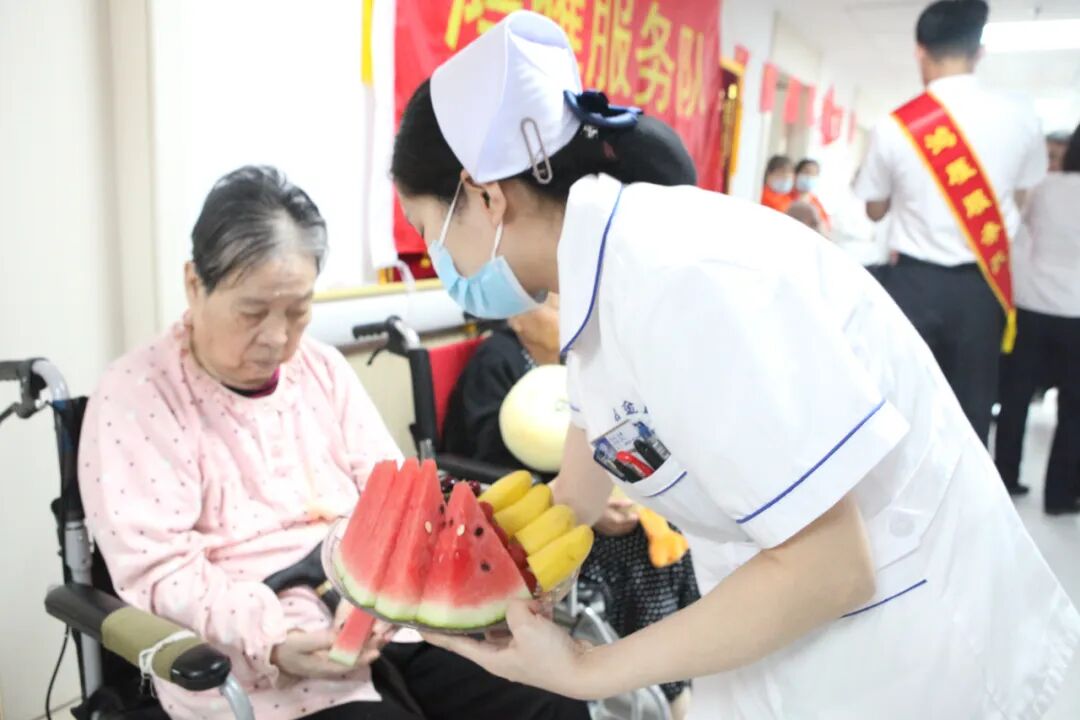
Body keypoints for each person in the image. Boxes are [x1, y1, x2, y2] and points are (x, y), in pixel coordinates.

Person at [389, 11, 1079, 719]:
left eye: (426, 229)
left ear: (485, 196)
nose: (440, 261)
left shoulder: (680, 279)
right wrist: (462, 581)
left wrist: (585, 669)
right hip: (776, 630)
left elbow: (829, 567)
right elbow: (579, 493)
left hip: (906, 648)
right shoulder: (597, 287)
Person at [78, 166, 590, 720]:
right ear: (194, 284)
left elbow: (393, 495)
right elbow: (160, 570)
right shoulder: (136, 395)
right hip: (254, 657)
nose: (278, 337)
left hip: (388, 617)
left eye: (298, 311)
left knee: (550, 700)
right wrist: (271, 639)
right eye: (252, 312)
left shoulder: (320, 368)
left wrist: (401, 586)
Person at [442, 297, 699, 719]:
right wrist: (577, 503)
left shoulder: (581, 363)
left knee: (665, 534)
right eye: (550, 305)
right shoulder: (497, 362)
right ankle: (641, 691)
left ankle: (674, 683)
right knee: (627, 548)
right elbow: (497, 464)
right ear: (516, 317)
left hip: (593, 490)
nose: (564, 316)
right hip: (526, 501)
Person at [853, 0, 1046, 446]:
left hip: (911, 287)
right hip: (981, 290)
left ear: (919, 50)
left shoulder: (896, 125)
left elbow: (875, 209)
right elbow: (1021, 196)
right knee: (971, 414)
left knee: (899, 409)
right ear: (979, 51)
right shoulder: (1021, 115)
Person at [995, 122, 1080, 512]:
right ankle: (1060, 496)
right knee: (1074, 410)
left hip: (1033, 306)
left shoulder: (1045, 187)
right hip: (1076, 314)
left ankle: (1004, 479)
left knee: (1015, 398)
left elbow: (1019, 234)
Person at [789, 158, 831, 232]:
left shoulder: (816, 203)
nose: (809, 177)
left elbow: (826, 225)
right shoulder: (784, 195)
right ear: (796, 174)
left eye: (814, 174)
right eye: (806, 172)